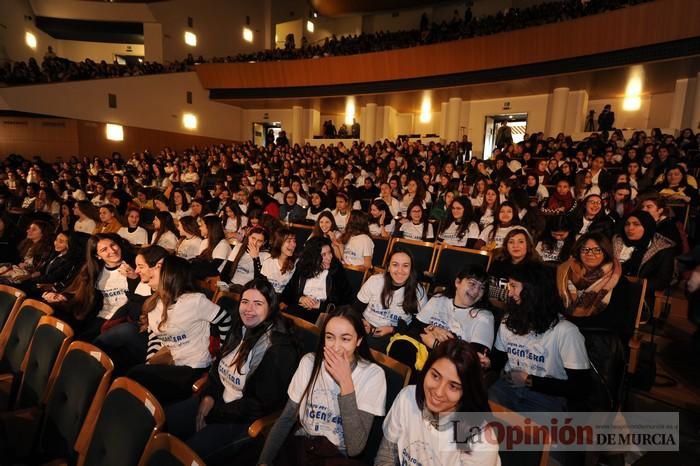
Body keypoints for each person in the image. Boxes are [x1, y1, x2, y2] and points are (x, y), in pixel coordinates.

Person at [165, 278, 301, 462]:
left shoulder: (279, 349)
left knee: (185, 454)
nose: (248, 309)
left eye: (258, 303)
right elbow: (216, 369)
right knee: (164, 422)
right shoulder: (239, 328)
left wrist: (214, 413)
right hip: (217, 400)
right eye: (245, 302)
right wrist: (208, 397)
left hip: (243, 419)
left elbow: (258, 405)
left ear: (270, 307)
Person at [257, 307, 387, 465]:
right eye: (330, 337)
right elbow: (286, 418)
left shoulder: (373, 375)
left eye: (345, 339)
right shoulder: (309, 363)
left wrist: (346, 382)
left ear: (358, 340)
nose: (336, 347)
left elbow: (355, 448)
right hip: (303, 447)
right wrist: (263, 462)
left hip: (338, 456)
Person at [375, 340, 499, 466]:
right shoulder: (407, 397)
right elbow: (386, 457)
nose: (439, 392)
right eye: (435, 376)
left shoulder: (482, 440)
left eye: (453, 386)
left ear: (467, 391)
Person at [127, 255, 233, 404]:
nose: (149, 270)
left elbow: (225, 320)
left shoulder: (194, 301)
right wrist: (151, 362)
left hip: (195, 368)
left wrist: (219, 356)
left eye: (157, 267)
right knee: (136, 376)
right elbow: (156, 336)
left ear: (171, 275)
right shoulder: (153, 303)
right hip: (172, 362)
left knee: (135, 375)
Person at [487, 264, 590, 412]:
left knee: (529, 433)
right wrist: (487, 361)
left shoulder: (566, 332)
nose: (509, 293)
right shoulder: (508, 321)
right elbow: (499, 359)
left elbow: (580, 388)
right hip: (507, 389)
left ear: (532, 290)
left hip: (547, 396)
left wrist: (530, 381)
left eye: (514, 286)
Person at [387, 266, 493, 371]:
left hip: (451, 365)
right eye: (472, 284)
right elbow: (414, 327)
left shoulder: (484, 317)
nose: (476, 291)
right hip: (420, 351)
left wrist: (437, 345)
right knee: (400, 347)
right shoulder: (439, 299)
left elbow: (475, 357)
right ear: (458, 282)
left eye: (482, 288)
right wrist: (433, 328)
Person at [43, 233, 139, 341]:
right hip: (101, 317)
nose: (112, 251)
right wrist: (62, 296)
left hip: (125, 318)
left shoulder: (136, 265)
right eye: (104, 250)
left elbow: (144, 296)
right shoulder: (94, 270)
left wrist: (135, 278)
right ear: (97, 255)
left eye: (113, 245)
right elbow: (80, 291)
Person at [93, 245, 168, 375]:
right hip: (143, 337)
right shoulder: (145, 284)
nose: (137, 271)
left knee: (126, 330)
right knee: (112, 358)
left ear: (158, 267)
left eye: (141, 266)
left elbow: (160, 336)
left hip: (157, 346)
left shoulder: (169, 293)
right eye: (136, 266)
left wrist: (149, 365)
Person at [355, 249, 427, 350]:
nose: (400, 270)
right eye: (395, 264)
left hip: (395, 336)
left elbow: (418, 328)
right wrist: (361, 321)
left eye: (405, 266)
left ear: (411, 269)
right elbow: (355, 309)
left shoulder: (418, 292)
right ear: (388, 267)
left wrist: (392, 329)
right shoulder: (374, 281)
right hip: (365, 329)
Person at [281, 237, 353, 322]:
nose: (329, 257)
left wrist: (320, 305)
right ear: (313, 257)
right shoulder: (302, 267)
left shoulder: (336, 270)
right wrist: (300, 298)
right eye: (323, 255)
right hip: (300, 308)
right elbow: (287, 293)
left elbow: (346, 300)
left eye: (330, 252)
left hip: (324, 312)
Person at [612, 210, 676, 295]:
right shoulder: (617, 242)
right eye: (627, 224)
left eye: (636, 224)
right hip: (610, 288)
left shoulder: (663, 249)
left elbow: (662, 281)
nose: (630, 228)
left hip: (640, 294)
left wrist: (630, 284)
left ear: (647, 226)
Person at [221, 226, 269, 291]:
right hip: (231, 285)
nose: (255, 243)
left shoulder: (266, 255)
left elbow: (259, 281)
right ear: (249, 237)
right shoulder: (239, 247)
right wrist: (223, 288)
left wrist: (256, 258)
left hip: (249, 289)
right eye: (253, 238)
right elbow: (226, 270)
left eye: (259, 241)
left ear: (264, 243)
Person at [260, 227, 297, 293]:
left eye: (294, 241)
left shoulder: (296, 264)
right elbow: (262, 287)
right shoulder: (269, 262)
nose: (293, 244)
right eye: (289, 241)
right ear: (279, 243)